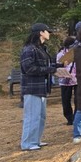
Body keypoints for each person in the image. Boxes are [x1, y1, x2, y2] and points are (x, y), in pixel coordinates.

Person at [20, 23, 69, 151]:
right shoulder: (29, 49)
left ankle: (36, 140)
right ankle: (27, 143)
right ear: (41, 32)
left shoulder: (41, 49)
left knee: (41, 116)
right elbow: (29, 68)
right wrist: (51, 70)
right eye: (47, 31)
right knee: (32, 116)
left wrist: (59, 66)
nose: (49, 34)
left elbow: (45, 65)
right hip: (32, 88)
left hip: (41, 88)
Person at [56, 36, 78, 126]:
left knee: (78, 99)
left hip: (77, 79)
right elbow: (57, 66)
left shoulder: (78, 53)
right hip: (65, 80)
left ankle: (77, 117)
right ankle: (69, 118)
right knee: (66, 100)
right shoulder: (61, 54)